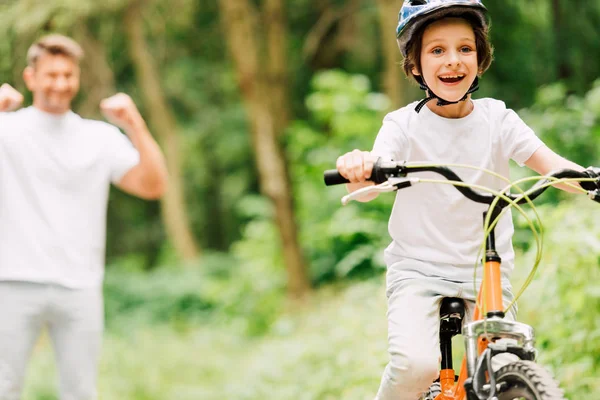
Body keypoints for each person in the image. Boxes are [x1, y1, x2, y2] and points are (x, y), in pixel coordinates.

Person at [335, 1, 598, 399]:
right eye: (437, 50)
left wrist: (591, 181)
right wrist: (360, 167)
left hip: (486, 272)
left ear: (480, 57)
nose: (452, 61)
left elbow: (554, 167)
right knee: (416, 366)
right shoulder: (403, 125)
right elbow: (371, 178)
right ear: (415, 65)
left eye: (465, 48)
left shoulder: (498, 120)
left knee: (503, 360)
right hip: (418, 271)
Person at [0, 34, 168, 400]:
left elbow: (153, 185)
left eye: (68, 75)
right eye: (51, 74)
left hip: (80, 284)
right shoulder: (6, 131)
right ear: (30, 78)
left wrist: (134, 124)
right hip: (13, 281)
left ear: (77, 77)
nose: (60, 84)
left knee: (81, 393)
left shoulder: (99, 138)